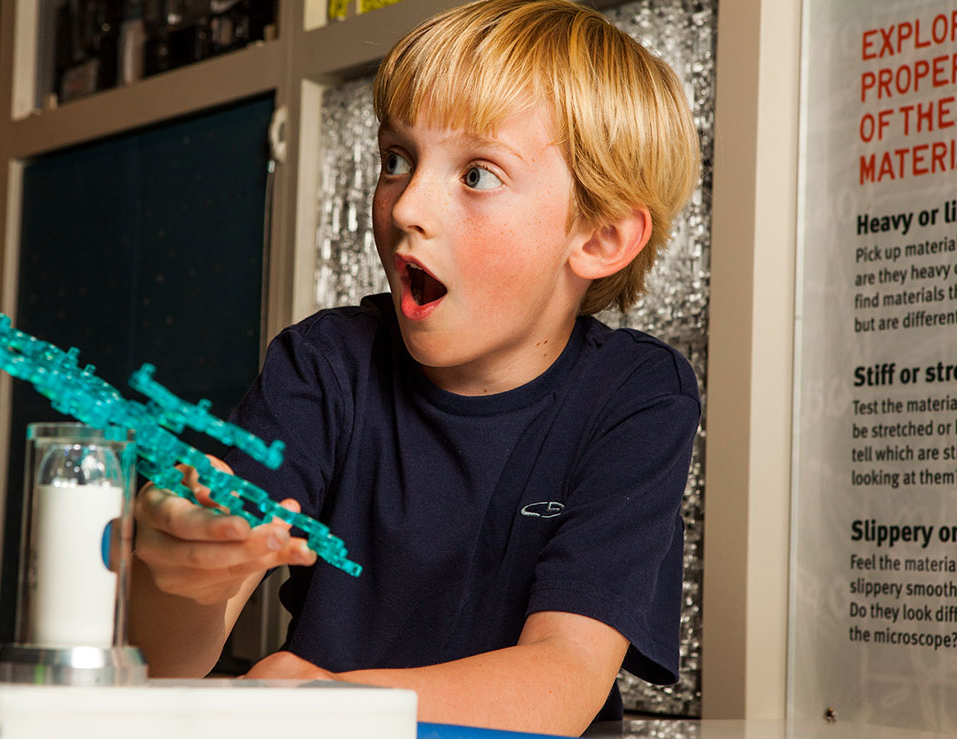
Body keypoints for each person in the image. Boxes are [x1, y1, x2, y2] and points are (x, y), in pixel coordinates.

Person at [128, 0, 701, 735]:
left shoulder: (638, 395)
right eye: (396, 160)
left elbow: (563, 679)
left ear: (600, 237)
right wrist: (182, 565)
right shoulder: (323, 365)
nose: (407, 207)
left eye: (478, 174)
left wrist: (327, 700)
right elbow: (168, 656)